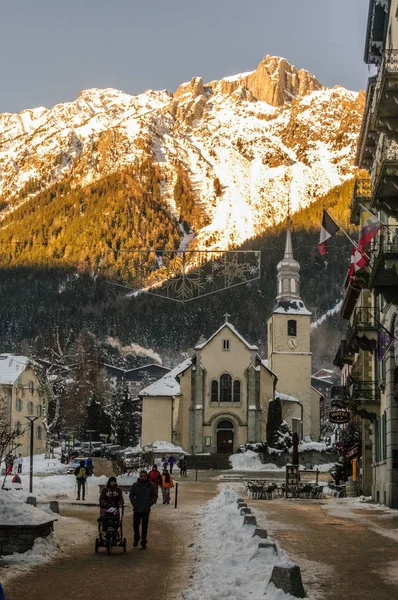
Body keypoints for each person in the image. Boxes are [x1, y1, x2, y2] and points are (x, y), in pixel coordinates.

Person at [129, 470, 157, 550]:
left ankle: (143, 541)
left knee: (145, 527)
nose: (143, 477)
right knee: (135, 525)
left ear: (147, 476)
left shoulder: (151, 485)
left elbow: (154, 496)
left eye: (144, 476)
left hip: (146, 509)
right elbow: (131, 495)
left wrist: (149, 503)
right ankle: (136, 537)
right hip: (137, 508)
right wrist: (134, 503)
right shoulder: (135, 485)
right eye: (141, 476)